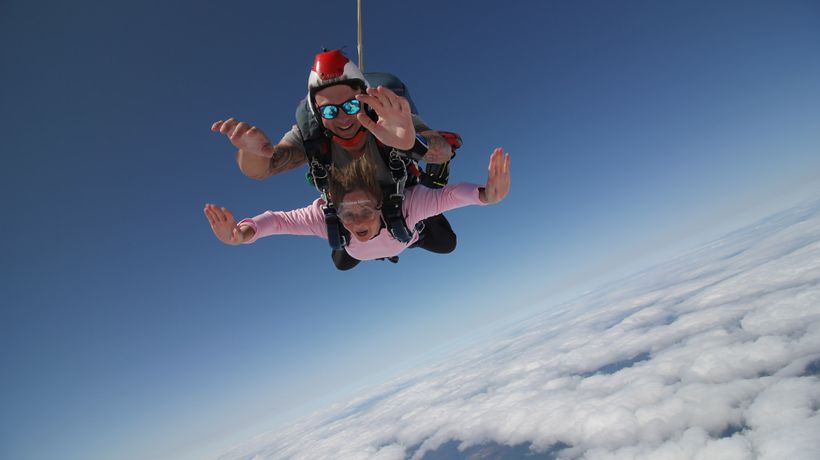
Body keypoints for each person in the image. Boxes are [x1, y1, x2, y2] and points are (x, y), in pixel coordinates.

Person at [210, 49, 459, 270]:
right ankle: (389, 242)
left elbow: (444, 149)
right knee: (342, 260)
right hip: (350, 216)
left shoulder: (388, 119)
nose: (342, 119)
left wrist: (412, 143)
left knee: (447, 243)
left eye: (350, 106)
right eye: (329, 111)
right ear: (317, 113)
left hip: (404, 203)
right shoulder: (311, 136)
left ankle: (413, 234)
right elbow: (264, 168)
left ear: (364, 98)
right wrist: (252, 152)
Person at [203, 148, 510, 263]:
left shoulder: (405, 207)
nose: (356, 220)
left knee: (448, 243)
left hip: (409, 233)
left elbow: (451, 197)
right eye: (347, 213)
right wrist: (243, 234)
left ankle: (428, 181)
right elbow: (279, 221)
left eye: (364, 209)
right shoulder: (328, 220)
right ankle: (390, 249)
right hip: (384, 243)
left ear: (382, 205)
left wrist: (485, 196)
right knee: (342, 262)